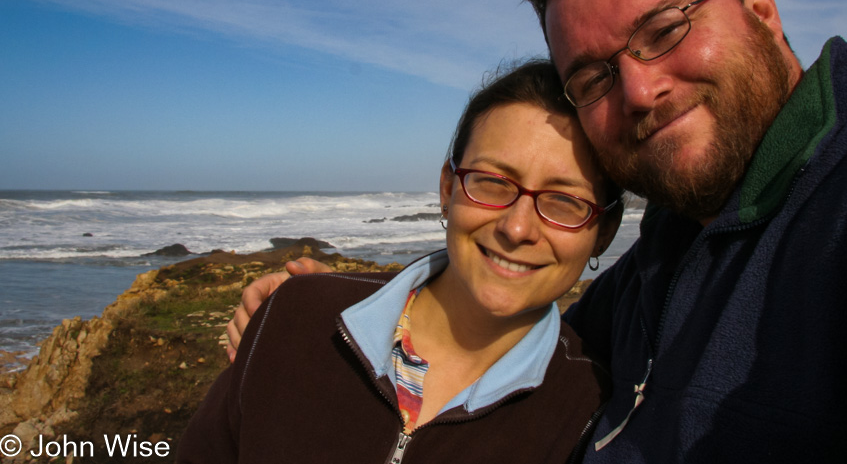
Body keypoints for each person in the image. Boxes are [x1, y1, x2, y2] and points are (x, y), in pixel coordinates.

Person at [227, 0, 847, 462]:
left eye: (665, 29)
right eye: (594, 76)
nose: (637, 91)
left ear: (760, 6)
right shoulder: (660, 260)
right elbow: (516, 321)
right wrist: (346, 310)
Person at [178, 60, 623, 463]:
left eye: (565, 202)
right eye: (491, 182)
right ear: (448, 189)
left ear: (603, 231)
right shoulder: (297, 317)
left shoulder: (591, 418)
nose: (518, 228)